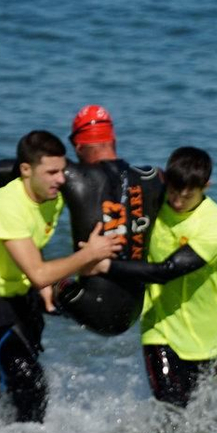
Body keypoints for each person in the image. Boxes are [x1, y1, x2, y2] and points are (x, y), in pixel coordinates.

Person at [0, 130, 122, 423]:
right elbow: (39, 274)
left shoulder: (50, 194)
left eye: (62, 171)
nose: (61, 179)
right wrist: (90, 255)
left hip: (18, 295)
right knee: (28, 376)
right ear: (26, 170)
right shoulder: (6, 206)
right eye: (51, 172)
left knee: (22, 380)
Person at [103, 146, 217, 407]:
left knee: (207, 421)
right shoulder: (154, 202)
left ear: (206, 186)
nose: (177, 201)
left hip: (207, 336)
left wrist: (105, 266)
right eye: (173, 192)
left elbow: (166, 272)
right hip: (159, 330)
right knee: (170, 409)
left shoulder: (216, 226)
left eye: (187, 196)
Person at [51, 104, 167, 336]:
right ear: (113, 141)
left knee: (32, 277)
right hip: (133, 311)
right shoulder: (155, 178)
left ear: (78, 146)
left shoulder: (74, 177)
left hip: (88, 305)